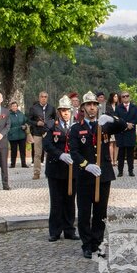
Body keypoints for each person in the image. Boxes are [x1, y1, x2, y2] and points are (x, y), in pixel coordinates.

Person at [69, 91, 128, 259]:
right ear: (83, 108)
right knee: (85, 213)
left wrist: (111, 118)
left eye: (95, 105)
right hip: (85, 175)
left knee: (101, 212)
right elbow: (74, 152)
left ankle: (98, 243)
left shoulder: (104, 125)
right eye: (89, 105)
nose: (92, 107)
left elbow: (123, 126)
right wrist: (86, 165)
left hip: (104, 174)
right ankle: (87, 244)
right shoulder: (76, 128)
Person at [44, 96, 79, 242]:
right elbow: (47, 144)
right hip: (56, 168)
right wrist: (60, 155)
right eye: (62, 110)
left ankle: (69, 230)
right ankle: (55, 231)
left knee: (70, 200)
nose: (65, 113)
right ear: (59, 111)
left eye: (67, 110)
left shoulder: (77, 125)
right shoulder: (52, 125)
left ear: (71, 111)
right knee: (56, 201)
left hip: (72, 169)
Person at [27, 91, 56, 180]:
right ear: (39, 98)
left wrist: (51, 125)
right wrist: (36, 123)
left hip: (49, 133)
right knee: (37, 154)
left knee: (50, 153)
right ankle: (36, 173)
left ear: (47, 98)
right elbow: (28, 120)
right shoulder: (34, 108)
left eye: (45, 97)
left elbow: (55, 119)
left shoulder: (51, 108)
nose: (43, 98)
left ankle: (50, 172)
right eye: (42, 96)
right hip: (37, 133)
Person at [114, 91, 137, 177]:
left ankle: (130, 170)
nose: (125, 98)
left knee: (130, 154)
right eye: (123, 96)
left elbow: (136, 119)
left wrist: (131, 124)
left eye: (127, 96)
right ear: (121, 98)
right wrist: (126, 125)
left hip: (131, 133)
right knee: (120, 154)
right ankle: (120, 171)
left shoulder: (135, 107)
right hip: (121, 132)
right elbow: (117, 119)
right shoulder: (118, 108)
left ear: (129, 97)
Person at [7, 100, 28, 168]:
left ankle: (23, 163)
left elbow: (25, 122)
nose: (14, 107)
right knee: (13, 150)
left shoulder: (21, 114)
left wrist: (25, 126)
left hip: (21, 135)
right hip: (13, 136)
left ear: (17, 107)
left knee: (22, 150)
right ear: (11, 107)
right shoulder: (8, 115)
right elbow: (7, 125)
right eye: (13, 106)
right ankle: (13, 164)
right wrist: (10, 132)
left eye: (15, 106)